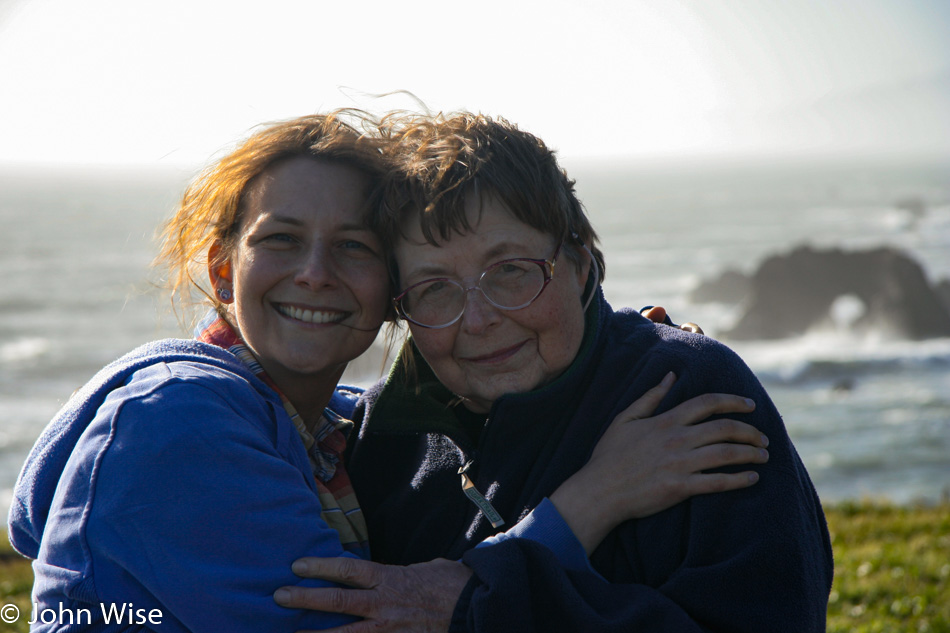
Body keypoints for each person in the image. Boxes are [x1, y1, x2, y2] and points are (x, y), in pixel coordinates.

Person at [7, 112, 766, 632]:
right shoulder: (176, 422)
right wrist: (592, 498)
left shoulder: (337, 435)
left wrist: (617, 351)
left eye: (354, 247)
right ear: (222, 271)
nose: (313, 273)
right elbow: (389, 618)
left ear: (386, 298)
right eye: (282, 238)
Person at [277, 112, 833, 632]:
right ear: (401, 308)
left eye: (511, 271)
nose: (479, 319)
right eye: (434, 288)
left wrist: (478, 605)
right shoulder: (382, 442)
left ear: (579, 264)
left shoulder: (685, 393)